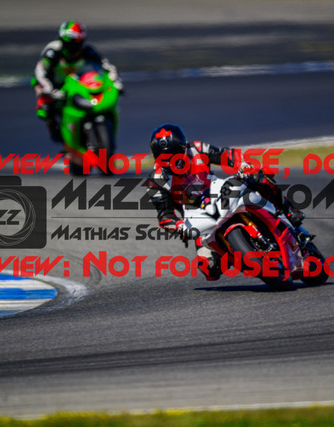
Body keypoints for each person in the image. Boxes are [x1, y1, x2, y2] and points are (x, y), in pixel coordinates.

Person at [147, 123, 305, 281]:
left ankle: (289, 210)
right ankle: (239, 254)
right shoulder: (155, 181)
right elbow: (165, 215)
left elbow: (228, 155)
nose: (169, 159)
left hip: (221, 191)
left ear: (183, 147)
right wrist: (179, 227)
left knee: (258, 176)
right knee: (210, 269)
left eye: (173, 153)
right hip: (197, 217)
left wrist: (243, 166)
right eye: (162, 156)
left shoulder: (197, 149)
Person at [33, 21, 123, 143]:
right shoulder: (52, 52)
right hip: (54, 85)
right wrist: (51, 91)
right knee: (45, 109)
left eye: (77, 43)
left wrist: (115, 81)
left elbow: (107, 67)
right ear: (62, 40)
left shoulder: (87, 51)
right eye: (70, 43)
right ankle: (54, 127)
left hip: (76, 84)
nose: (73, 48)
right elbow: (40, 73)